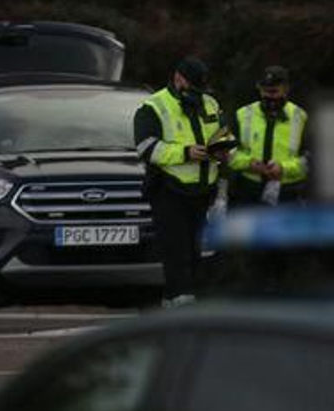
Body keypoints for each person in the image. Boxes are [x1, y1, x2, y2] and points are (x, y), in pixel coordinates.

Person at [132, 57, 228, 306]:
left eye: (201, 87)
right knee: (176, 251)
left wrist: (224, 150)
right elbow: (146, 148)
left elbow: (224, 135)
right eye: (193, 86)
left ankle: (178, 301)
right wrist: (185, 152)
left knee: (199, 253)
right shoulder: (153, 106)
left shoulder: (210, 103)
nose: (198, 92)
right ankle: (181, 302)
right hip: (169, 190)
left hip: (204, 190)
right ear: (178, 78)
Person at [228, 64, 309, 206]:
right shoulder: (242, 115)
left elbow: (310, 160)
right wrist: (249, 163)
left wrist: (283, 168)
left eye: (274, 91)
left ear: (286, 89)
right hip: (247, 192)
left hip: (287, 194)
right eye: (265, 91)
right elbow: (226, 152)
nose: (269, 96)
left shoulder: (300, 117)